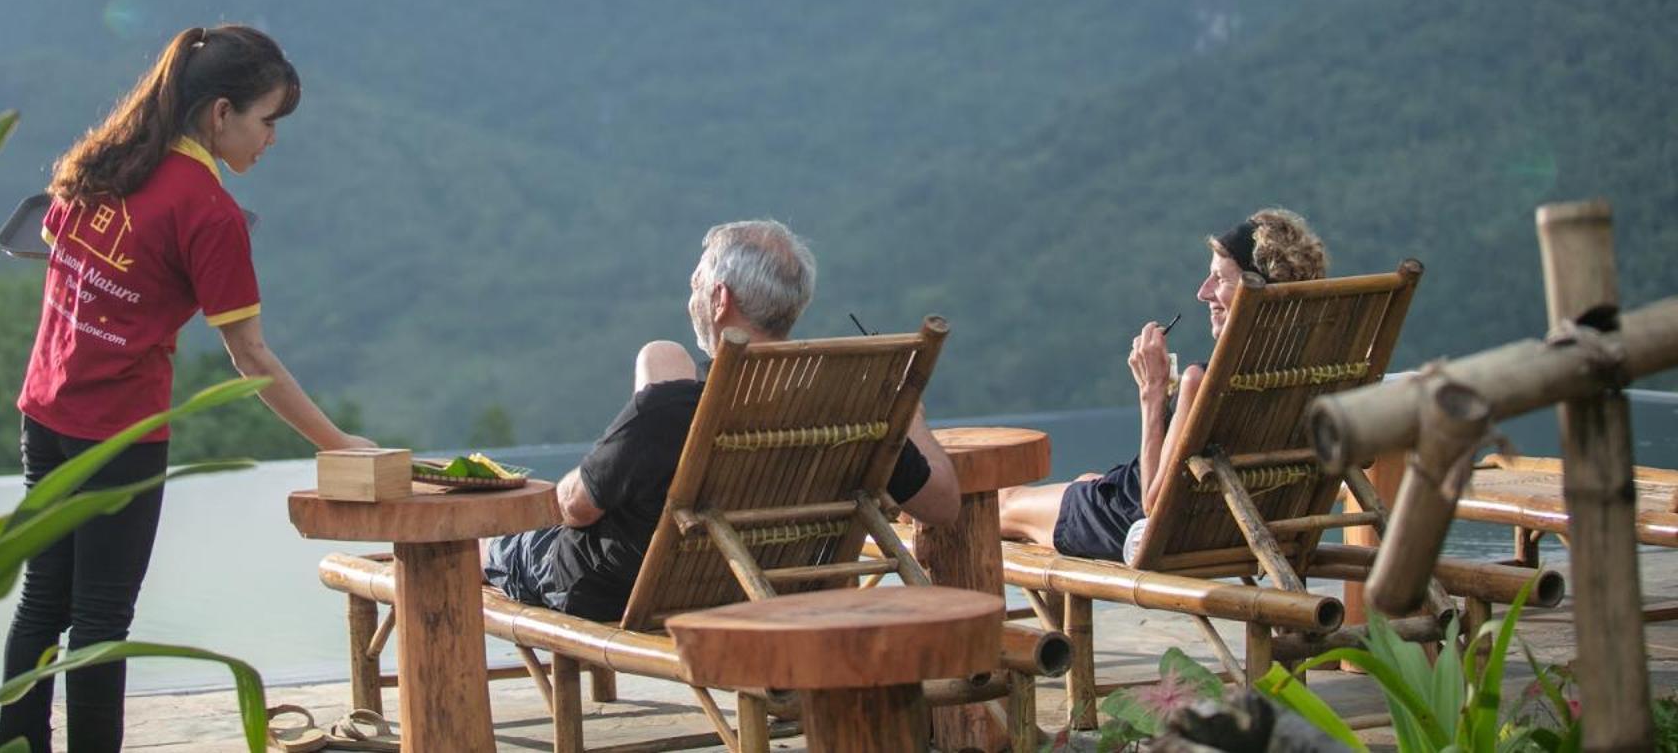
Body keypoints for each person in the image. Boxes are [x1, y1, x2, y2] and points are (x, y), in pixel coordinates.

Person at [0, 25, 374, 753]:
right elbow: (251, 356)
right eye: (267, 120)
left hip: (45, 410)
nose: (271, 139)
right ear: (219, 113)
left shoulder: (99, 161)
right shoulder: (209, 212)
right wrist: (340, 442)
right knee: (102, 619)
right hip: (118, 435)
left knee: (45, 599)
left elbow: (57, 250)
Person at [483, 219, 960, 621]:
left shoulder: (670, 409)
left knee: (483, 546)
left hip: (624, 590)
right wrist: (906, 414)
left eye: (695, 284)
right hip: (770, 584)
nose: (690, 295)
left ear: (719, 298)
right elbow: (942, 506)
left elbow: (577, 509)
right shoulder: (848, 412)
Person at [997, 208, 1328, 562]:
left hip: (1144, 524)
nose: (1203, 293)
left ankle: (947, 598)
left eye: (1219, 279)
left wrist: (1152, 393)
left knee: (1000, 504)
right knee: (1083, 482)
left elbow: (1154, 505)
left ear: (1255, 290)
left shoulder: (1203, 382)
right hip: (1249, 522)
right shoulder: (1313, 373)